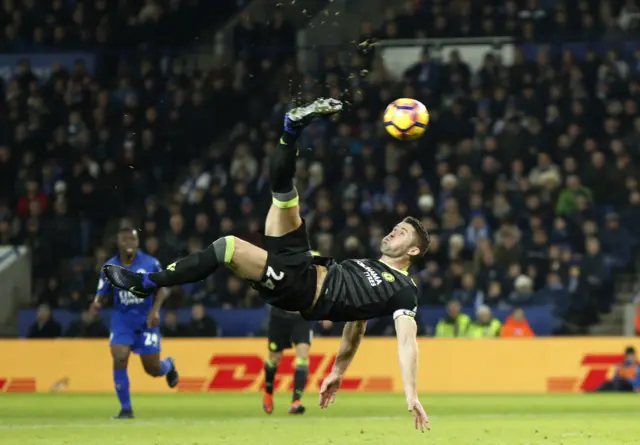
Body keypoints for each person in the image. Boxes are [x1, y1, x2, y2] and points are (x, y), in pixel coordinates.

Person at [103, 98, 431, 432]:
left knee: (228, 246)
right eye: (395, 227)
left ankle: (146, 282)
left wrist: (412, 394)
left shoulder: (405, 291)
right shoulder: (369, 267)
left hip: (300, 289)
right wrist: (337, 371)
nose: (393, 231)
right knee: (284, 194)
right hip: (303, 263)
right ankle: (291, 130)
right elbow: (356, 326)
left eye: (402, 232)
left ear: (414, 251)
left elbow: (407, 342)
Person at [93, 227, 179, 419]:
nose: (130, 244)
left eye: (133, 240)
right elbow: (102, 293)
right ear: (119, 243)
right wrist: (96, 303)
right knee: (120, 356)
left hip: (146, 321)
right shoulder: (110, 268)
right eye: (125, 240)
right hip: (122, 322)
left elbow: (161, 289)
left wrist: (155, 310)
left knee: (153, 369)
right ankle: (126, 409)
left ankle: (169, 365)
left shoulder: (150, 263)